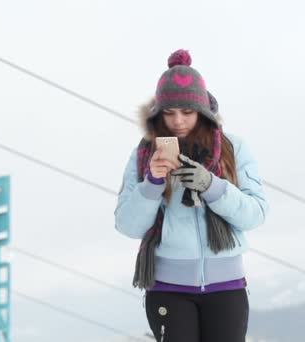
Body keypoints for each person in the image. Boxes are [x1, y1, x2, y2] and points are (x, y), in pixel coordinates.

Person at [114, 49, 269, 342]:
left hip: (227, 288)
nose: (178, 121)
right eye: (169, 113)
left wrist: (212, 187)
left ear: (203, 110)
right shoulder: (144, 154)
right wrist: (152, 183)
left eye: (187, 112)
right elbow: (127, 224)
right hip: (168, 290)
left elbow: (255, 214)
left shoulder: (232, 149)